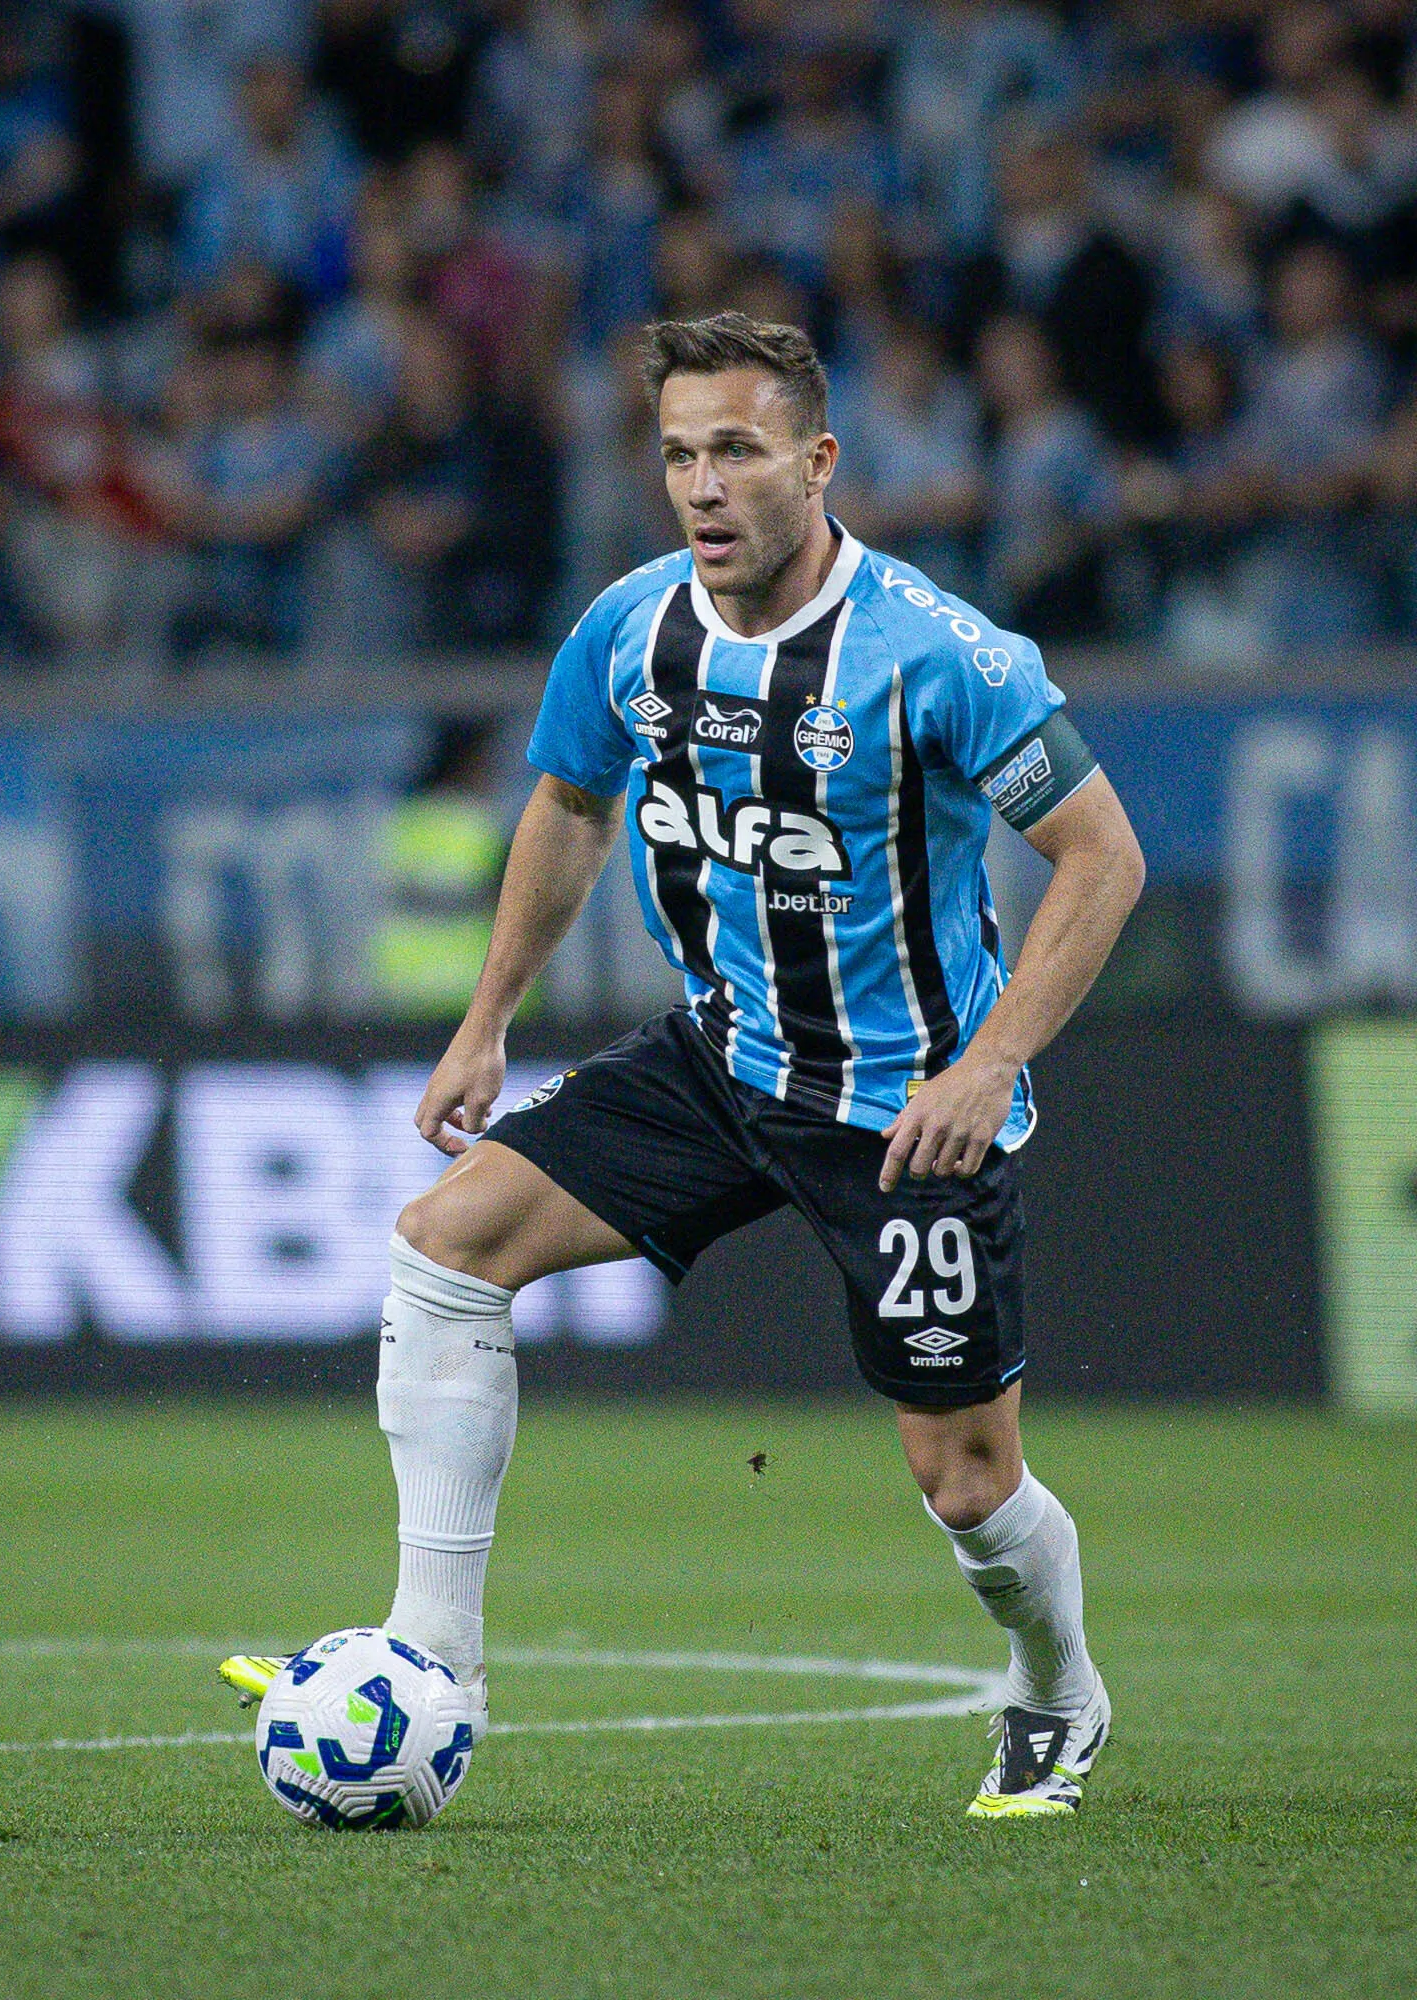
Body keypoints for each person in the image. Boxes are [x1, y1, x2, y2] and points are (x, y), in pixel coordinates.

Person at [218, 311, 1146, 1819]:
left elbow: (1102, 860)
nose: (703, 486)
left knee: (969, 1488)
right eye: (677, 456)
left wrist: (989, 1067)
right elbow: (571, 805)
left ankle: (1058, 1688)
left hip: (906, 1109)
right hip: (723, 1057)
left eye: (737, 451)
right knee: (446, 1248)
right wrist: (487, 1016)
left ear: (819, 462)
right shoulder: (629, 631)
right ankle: (434, 1660)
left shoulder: (938, 654)